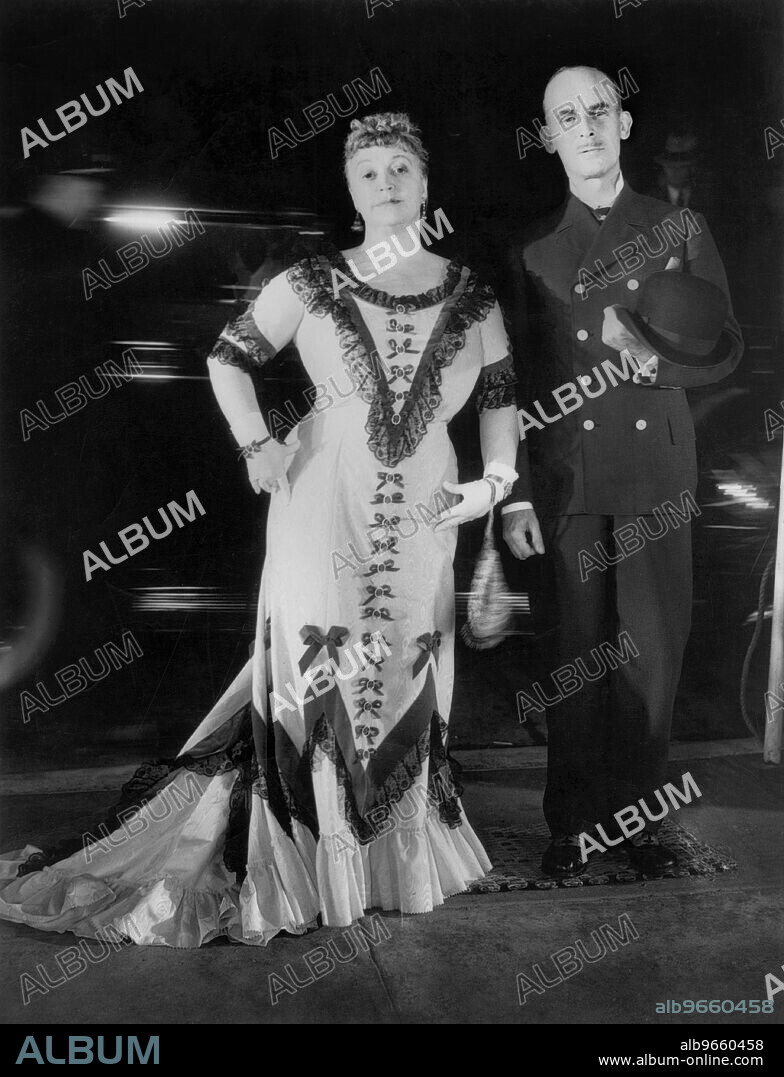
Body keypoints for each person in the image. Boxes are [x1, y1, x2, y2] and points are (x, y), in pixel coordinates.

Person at [0, 113, 519, 946]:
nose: (386, 183)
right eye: (369, 173)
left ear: (426, 184)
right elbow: (227, 358)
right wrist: (256, 442)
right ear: (352, 193)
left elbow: (500, 406)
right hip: (319, 501)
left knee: (407, 662)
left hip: (427, 510)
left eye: (400, 169)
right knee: (320, 669)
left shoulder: (475, 296)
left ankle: (391, 858)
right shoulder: (311, 281)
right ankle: (310, 865)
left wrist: (494, 482)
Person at [501, 66, 743, 878]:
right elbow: (517, 383)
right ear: (549, 135)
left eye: (600, 110)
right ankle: (572, 820)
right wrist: (518, 497)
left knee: (652, 654)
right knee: (576, 652)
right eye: (568, 115)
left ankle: (634, 821)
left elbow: (728, 346)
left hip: (654, 472)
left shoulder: (677, 228)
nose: (588, 126)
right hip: (571, 477)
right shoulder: (531, 248)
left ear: (624, 123)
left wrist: (654, 365)